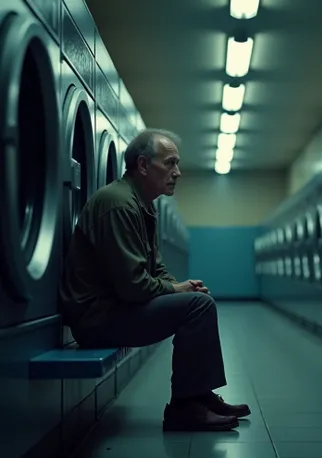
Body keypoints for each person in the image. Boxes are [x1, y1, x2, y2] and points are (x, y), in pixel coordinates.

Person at [59, 128, 250, 431]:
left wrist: (181, 289)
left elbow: (156, 270)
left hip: (114, 309)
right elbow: (133, 285)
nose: (178, 172)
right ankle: (184, 407)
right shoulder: (118, 204)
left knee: (198, 301)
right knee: (197, 307)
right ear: (144, 166)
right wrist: (177, 291)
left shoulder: (142, 205)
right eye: (170, 163)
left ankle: (199, 397)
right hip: (97, 319)